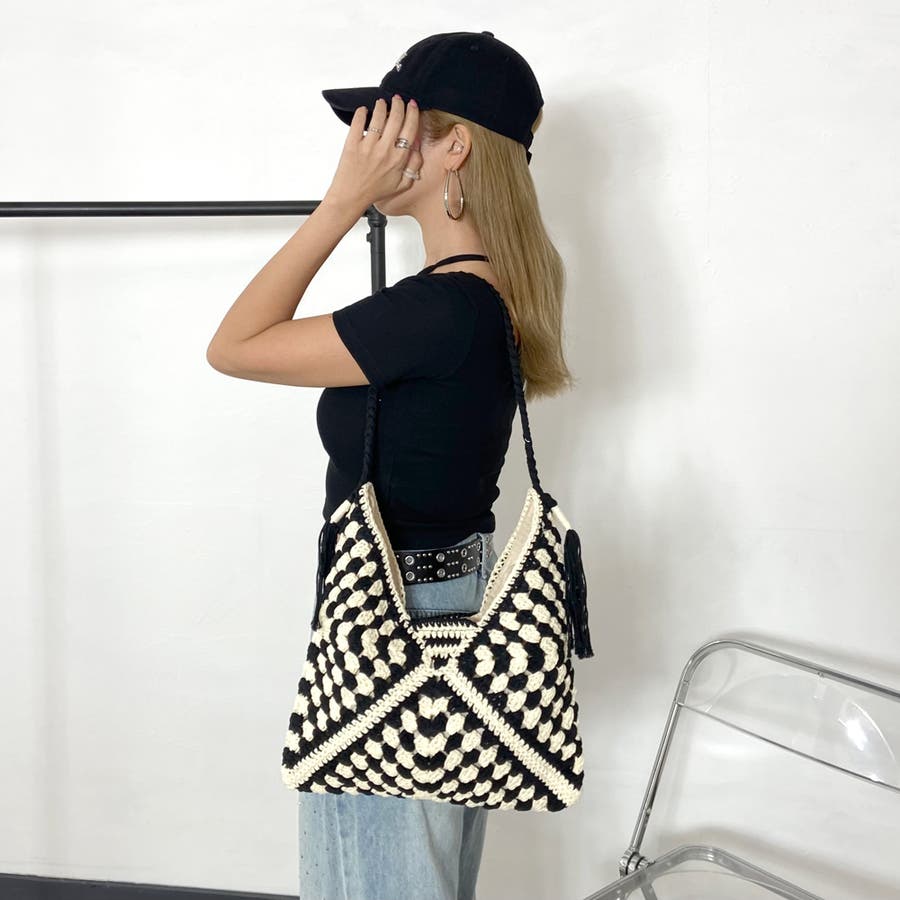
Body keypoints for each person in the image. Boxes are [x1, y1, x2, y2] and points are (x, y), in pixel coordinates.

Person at [207, 29, 575, 900]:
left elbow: (234, 346)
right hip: (440, 604)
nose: (369, 147)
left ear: (457, 148)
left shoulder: (438, 312)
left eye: (394, 128)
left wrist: (340, 204)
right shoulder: (483, 301)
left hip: (393, 620)